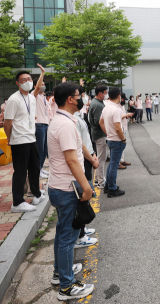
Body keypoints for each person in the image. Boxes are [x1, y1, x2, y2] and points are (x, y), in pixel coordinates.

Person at [47, 82, 95, 300]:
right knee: (68, 237)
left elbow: (77, 150)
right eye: (79, 95)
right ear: (70, 99)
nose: (81, 97)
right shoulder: (65, 125)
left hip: (59, 186)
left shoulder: (63, 120)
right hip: (67, 188)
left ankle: (60, 273)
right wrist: (86, 186)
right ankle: (66, 287)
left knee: (62, 232)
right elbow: (71, 160)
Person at [3, 66, 47, 213]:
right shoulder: (13, 99)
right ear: (18, 83)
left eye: (29, 79)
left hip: (31, 137)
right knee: (20, 171)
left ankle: (36, 194)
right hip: (19, 140)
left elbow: (38, 86)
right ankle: (17, 202)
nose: (27, 82)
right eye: (24, 80)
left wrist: (42, 74)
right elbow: (7, 123)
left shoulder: (31, 97)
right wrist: (10, 138)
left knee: (34, 168)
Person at [73, 84, 100, 246]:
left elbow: (86, 140)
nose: (83, 98)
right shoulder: (72, 120)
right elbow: (79, 145)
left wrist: (93, 154)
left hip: (88, 156)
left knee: (85, 197)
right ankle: (80, 235)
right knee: (83, 196)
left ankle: (82, 228)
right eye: (79, 96)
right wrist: (91, 158)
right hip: (84, 159)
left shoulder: (77, 115)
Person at [99, 88, 128, 197]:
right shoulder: (116, 110)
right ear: (119, 96)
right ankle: (112, 188)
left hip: (110, 139)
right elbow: (118, 128)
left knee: (112, 164)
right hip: (117, 140)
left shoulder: (106, 108)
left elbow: (100, 122)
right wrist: (123, 139)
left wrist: (108, 133)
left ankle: (108, 185)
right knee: (114, 165)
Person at [88, 85, 108, 188]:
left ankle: (97, 180)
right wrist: (107, 131)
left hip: (97, 133)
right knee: (101, 158)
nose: (106, 94)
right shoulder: (98, 105)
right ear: (100, 93)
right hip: (100, 134)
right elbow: (98, 122)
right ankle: (101, 181)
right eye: (105, 92)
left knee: (100, 157)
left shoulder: (95, 102)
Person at [35, 81, 51, 180]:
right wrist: (42, 73)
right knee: (40, 150)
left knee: (45, 150)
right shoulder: (35, 95)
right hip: (39, 124)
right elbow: (37, 88)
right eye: (42, 84)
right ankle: (37, 170)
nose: (43, 85)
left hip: (45, 124)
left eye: (44, 84)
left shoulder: (43, 97)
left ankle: (40, 168)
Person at [120, 92, 132, 167]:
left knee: (123, 146)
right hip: (120, 128)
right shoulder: (116, 107)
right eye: (123, 99)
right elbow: (118, 117)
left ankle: (122, 160)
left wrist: (126, 116)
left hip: (124, 127)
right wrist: (127, 115)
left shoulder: (122, 106)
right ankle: (119, 162)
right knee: (120, 146)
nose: (124, 101)